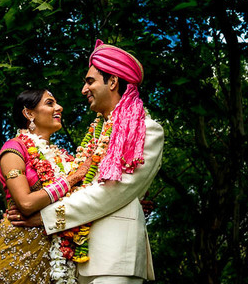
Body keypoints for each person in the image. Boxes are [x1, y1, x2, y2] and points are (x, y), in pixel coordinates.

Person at [10, 40, 165, 284]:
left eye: (90, 81)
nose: (84, 90)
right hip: (79, 262)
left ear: (113, 81)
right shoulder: (97, 135)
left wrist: (46, 218)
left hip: (114, 260)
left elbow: (113, 192)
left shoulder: (146, 130)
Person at [0, 89, 91, 284]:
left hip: (59, 251)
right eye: (50, 103)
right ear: (29, 113)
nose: (59, 107)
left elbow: (85, 198)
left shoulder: (64, 159)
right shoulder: (13, 149)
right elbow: (26, 203)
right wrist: (72, 179)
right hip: (19, 248)